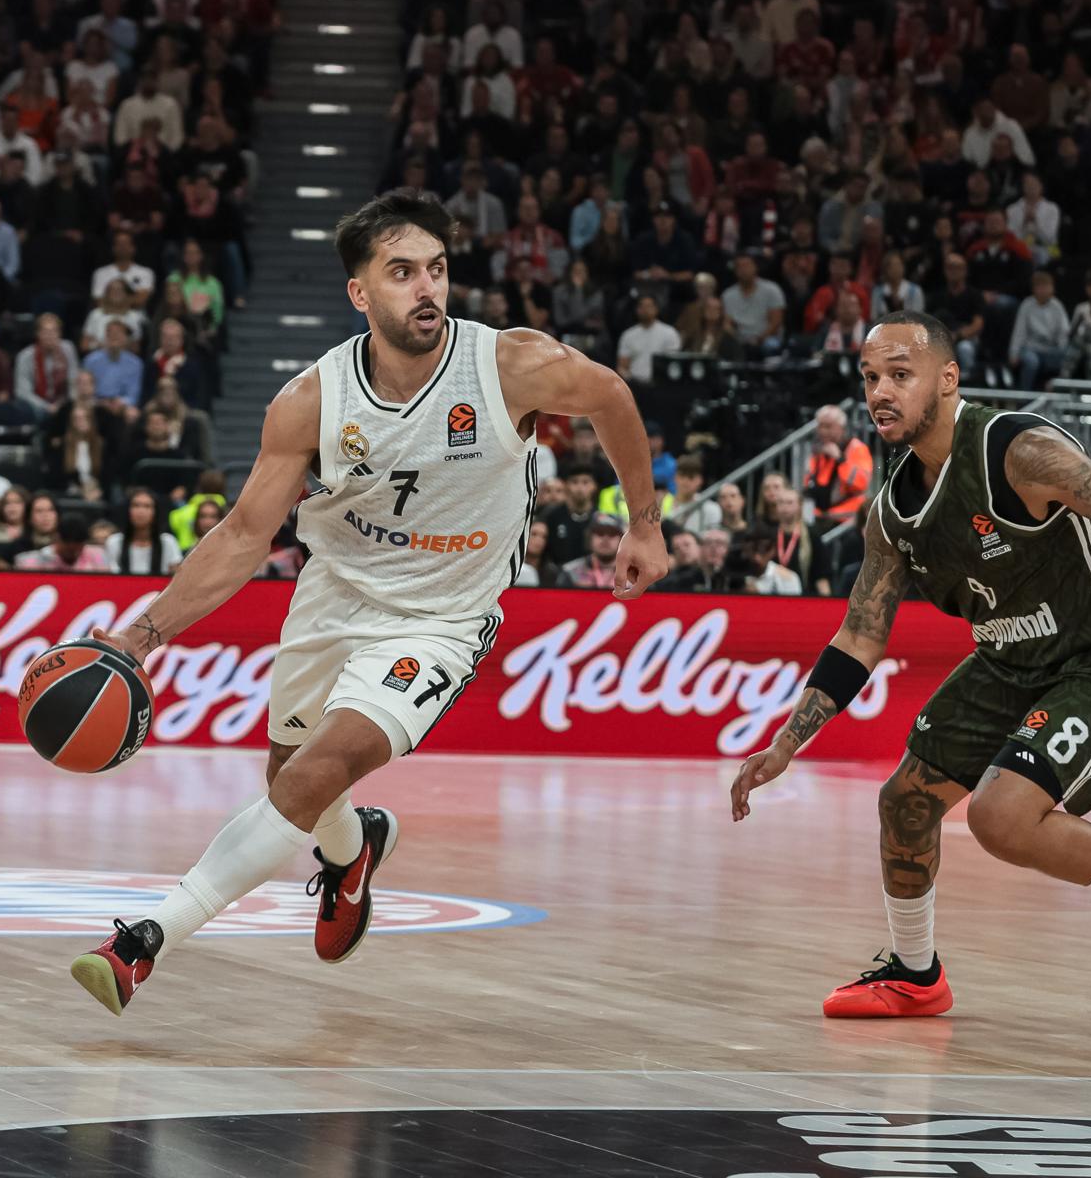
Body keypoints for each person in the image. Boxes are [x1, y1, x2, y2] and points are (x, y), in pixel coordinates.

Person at [69, 191, 667, 1012]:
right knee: (292, 776)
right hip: (335, 592)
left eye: (437, 270)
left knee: (320, 767)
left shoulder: (508, 365)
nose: (427, 289)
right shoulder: (311, 400)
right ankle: (352, 854)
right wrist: (142, 634)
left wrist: (643, 525)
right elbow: (246, 534)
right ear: (361, 294)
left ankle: (145, 940)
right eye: (401, 273)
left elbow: (612, 399)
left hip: (444, 618)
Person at [731, 313, 1091, 1027]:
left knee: (1003, 817)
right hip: (1009, 661)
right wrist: (786, 742)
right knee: (904, 803)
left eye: (900, 375)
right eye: (871, 378)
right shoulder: (893, 513)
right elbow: (859, 636)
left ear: (947, 379)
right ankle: (914, 975)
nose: (881, 392)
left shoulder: (1017, 451)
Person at [802, 405, 874, 523]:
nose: (823, 431)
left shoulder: (857, 448)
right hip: (820, 517)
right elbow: (810, 482)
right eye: (820, 426)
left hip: (847, 519)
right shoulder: (819, 450)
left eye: (829, 426)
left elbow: (861, 484)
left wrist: (840, 459)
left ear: (841, 428)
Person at [14, 512, 111, 571]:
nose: (74, 554)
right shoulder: (32, 563)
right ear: (57, 539)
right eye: (69, 550)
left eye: (78, 549)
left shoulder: (98, 556)